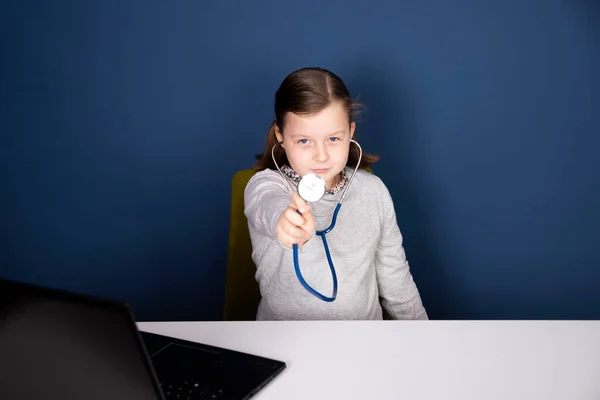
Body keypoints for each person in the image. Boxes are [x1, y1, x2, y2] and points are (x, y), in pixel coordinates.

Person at [244, 67, 428, 320]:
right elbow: (266, 204)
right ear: (280, 137)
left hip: (363, 342)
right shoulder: (265, 185)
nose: (321, 155)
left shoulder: (373, 192)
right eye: (304, 141)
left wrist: (424, 336)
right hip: (285, 341)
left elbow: (396, 279)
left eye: (333, 139)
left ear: (350, 133)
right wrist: (284, 220)